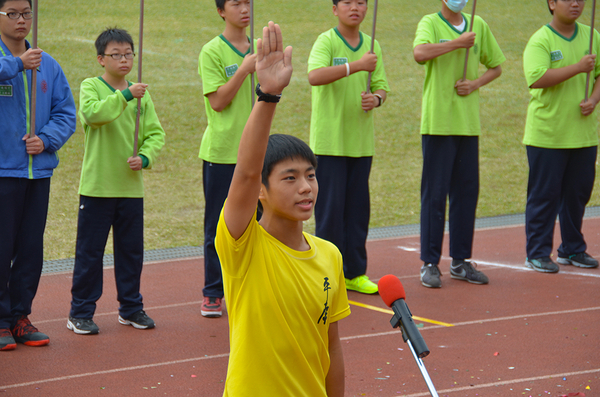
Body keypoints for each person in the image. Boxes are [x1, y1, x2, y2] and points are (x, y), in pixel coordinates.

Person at [215, 22, 350, 396]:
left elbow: (332, 346)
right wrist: (268, 95)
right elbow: (244, 172)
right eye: (289, 178)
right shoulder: (244, 247)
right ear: (261, 190)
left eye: (310, 175)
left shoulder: (330, 256)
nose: (306, 187)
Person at [67, 28, 165, 335]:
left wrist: (145, 157)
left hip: (130, 189)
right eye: (116, 55)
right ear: (101, 59)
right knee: (90, 252)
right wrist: (124, 95)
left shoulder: (141, 94)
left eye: (128, 54)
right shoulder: (91, 87)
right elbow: (94, 115)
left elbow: (155, 134)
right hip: (97, 187)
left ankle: (131, 307)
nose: (124, 59)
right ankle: (80, 312)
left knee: (131, 252)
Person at [0, 0, 76, 351]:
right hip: (3, 171)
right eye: (12, 14)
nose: (21, 20)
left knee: (30, 249)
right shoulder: (15, 63)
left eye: (26, 13)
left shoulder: (49, 66)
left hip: (37, 173)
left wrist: (46, 140)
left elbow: (66, 113)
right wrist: (16, 65)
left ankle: (19, 316)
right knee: (1, 248)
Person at [413, 0, 505, 288]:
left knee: (466, 193)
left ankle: (461, 261)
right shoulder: (430, 22)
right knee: (435, 194)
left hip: (467, 125)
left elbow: (496, 66)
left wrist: (474, 84)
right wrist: (456, 43)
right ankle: (429, 263)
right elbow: (419, 53)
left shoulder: (479, 25)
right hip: (438, 123)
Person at [308, 0, 390, 295]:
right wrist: (355, 66)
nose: (354, 7)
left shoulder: (372, 45)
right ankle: (326, 277)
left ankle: (355, 273)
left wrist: (376, 99)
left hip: (360, 144)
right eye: (347, 2)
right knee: (330, 213)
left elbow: (381, 86)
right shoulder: (326, 40)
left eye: (360, 2)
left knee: (357, 211)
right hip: (330, 143)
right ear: (334, 9)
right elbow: (314, 76)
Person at [522, 0, 600, 273]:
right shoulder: (540, 40)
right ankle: (537, 253)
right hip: (547, 135)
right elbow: (537, 78)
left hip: (583, 136)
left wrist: (593, 98)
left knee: (577, 195)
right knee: (545, 195)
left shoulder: (593, 37)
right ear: (552, 4)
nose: (576, 4)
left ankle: (572, 248)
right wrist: (578, 68)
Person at [198, 0, 256, 318]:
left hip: (257, 151)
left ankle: (253, 283)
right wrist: (245, 69)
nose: (244, 8)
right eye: (236, 3)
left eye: (248, 2)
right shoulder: (212, 51)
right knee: (219, 224)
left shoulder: (261, 47)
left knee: (258, 223)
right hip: (222, 153)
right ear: (221, 10)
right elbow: (218, 101)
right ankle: (213, 291)